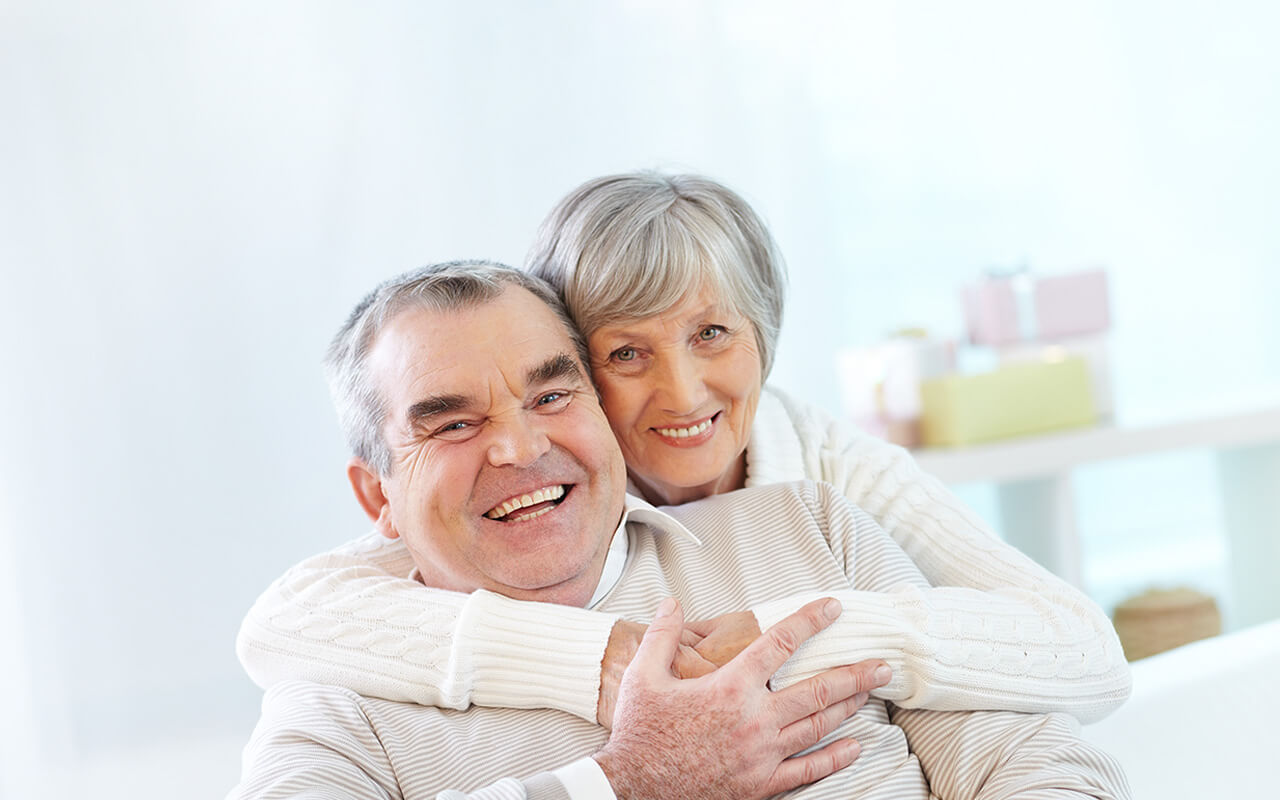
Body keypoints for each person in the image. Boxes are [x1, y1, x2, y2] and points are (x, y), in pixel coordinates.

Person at [236, 173, 1130, 728]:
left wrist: (806, 635)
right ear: (572, 370)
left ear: (764, 338)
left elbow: (1085, 647)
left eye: (712, 333)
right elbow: (281, 624)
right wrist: (606, 661)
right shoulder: (528, 490)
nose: (685, 392)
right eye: (627, 353)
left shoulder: (830, 471)